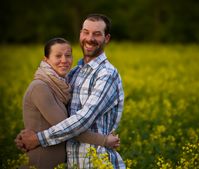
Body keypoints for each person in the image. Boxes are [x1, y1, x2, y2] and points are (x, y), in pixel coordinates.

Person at [16, 14, 125, 169]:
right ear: (80, 34)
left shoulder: (107, 74)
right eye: (86, 32)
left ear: (106, 39)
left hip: (96, 162)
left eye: (97, 34)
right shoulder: (73, 74)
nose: (90, 38)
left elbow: (83, 120)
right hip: (72, 163)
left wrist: (39, 138)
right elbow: (57, 118)